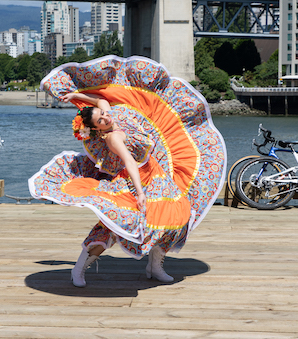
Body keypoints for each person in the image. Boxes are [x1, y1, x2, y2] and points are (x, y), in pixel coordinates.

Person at [28, 55, 226, 288]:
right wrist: (140, 192)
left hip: (155, 174)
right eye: (100, 120)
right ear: (98, 130)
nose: (105, 116)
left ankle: (155, 265)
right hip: (136, 180)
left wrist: (76, 96)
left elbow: (99, 100)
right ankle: (79, 268)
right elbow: (130, 163)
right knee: (116, 226)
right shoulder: (113, 138)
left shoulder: (110, 113)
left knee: (175, 216)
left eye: (103, 115)